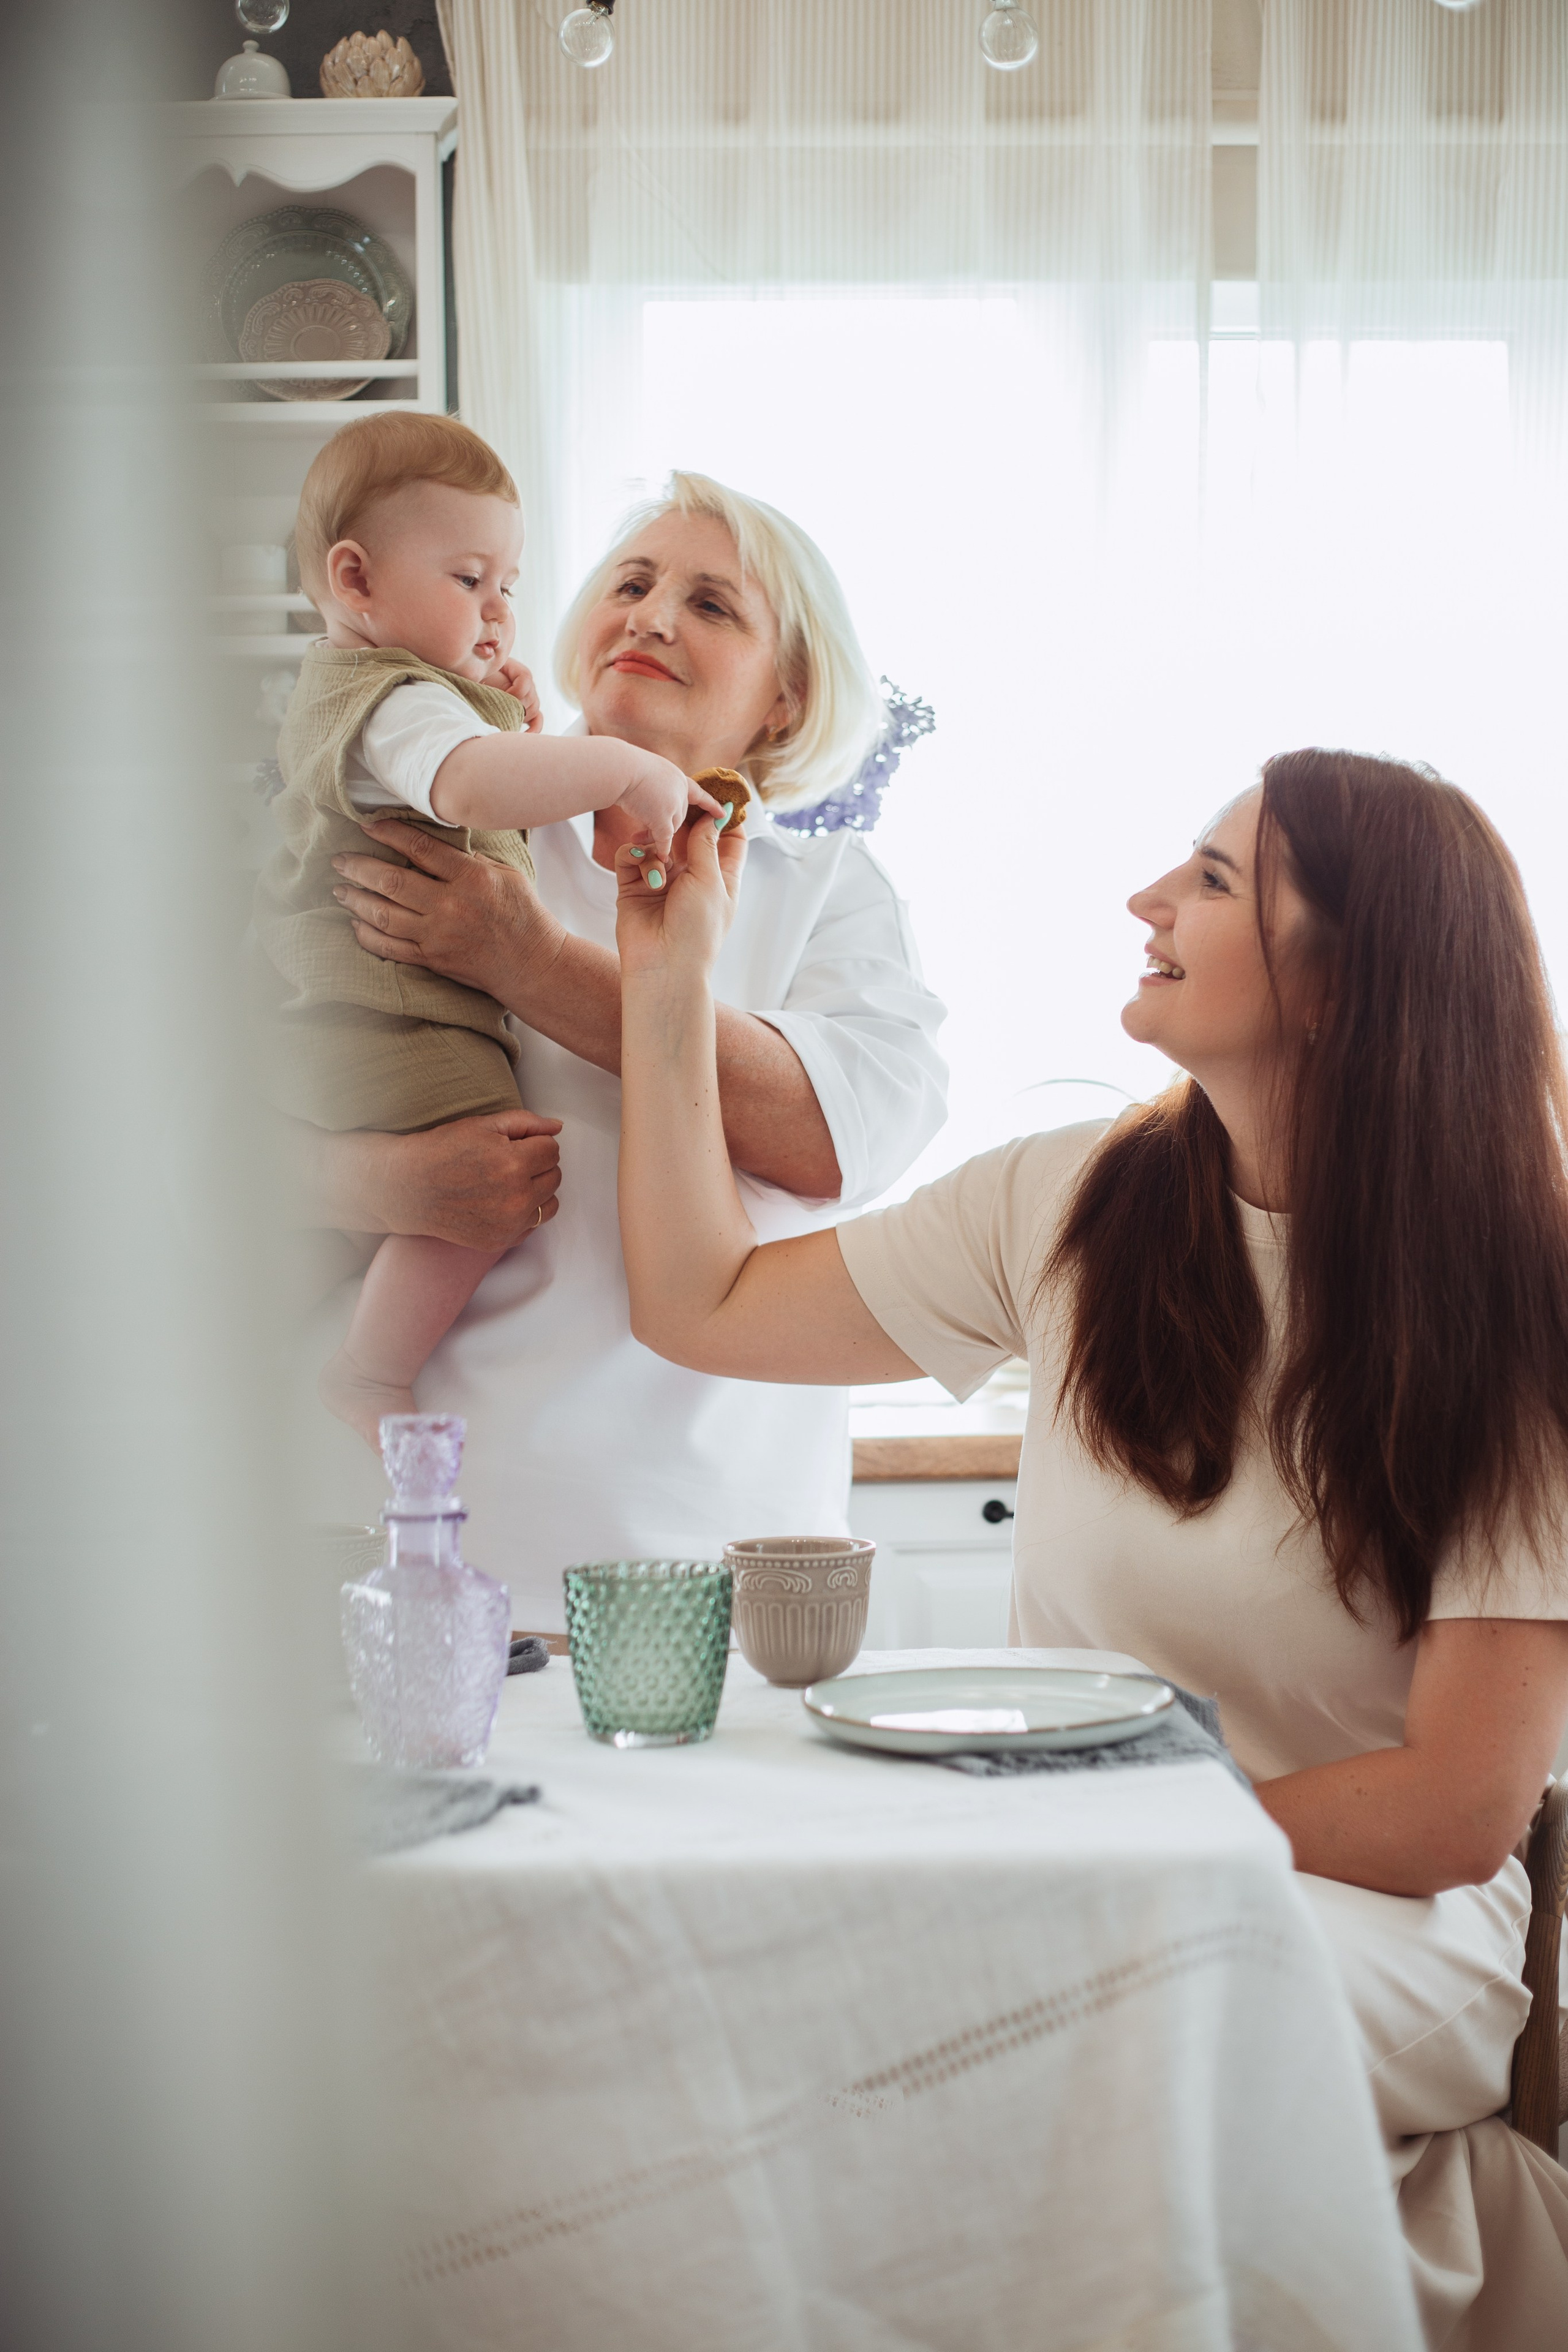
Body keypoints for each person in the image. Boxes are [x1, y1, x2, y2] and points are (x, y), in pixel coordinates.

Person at [612, 748, 1568, 2346]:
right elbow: (697, 1303)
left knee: (1088, 2018)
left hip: (1367, 1910)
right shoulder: (1068, 1200)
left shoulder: (1518, 1302)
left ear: (1349, 971)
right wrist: (667, 979)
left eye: (1210, 879)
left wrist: (1114, 1851)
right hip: (1079, 1869)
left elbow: (1458, 1810)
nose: (1147, 901)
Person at [291, 472, 948, 1624]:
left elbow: (833, 1141)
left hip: (711, 1546)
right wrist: (380, 1181)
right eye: (632, 584)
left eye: (713, 605)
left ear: (786, 701)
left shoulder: (825, 893)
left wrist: (524, 960)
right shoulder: (439, 831)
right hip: (408, 1524)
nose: (651, 615)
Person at [255, 413, 725, 1444]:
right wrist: (622, 769)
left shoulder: (396, 697)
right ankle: (372, 1370)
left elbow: (476, 767)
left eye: (510, 586)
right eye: (471, 581)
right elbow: (470, 782)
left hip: (367, 1022)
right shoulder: (395, 703)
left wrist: (503, 716)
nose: (499, 610)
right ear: (356, 581)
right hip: (396, 1022)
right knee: (490, 1183)